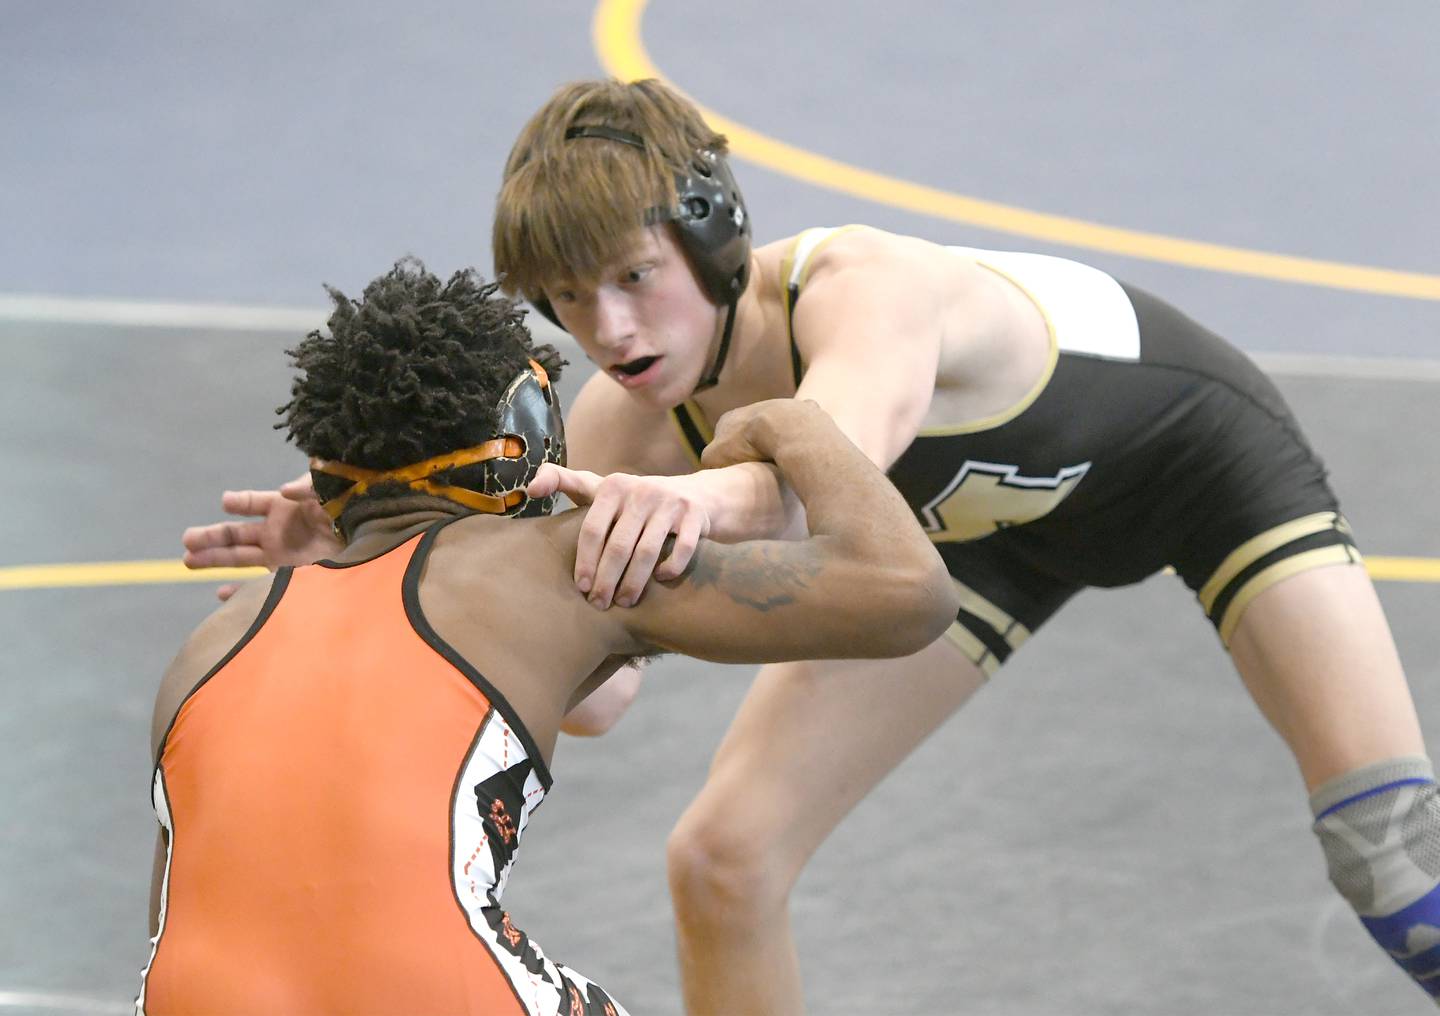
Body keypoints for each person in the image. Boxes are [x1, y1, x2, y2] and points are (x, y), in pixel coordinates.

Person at [180, 79, 1440, 1011]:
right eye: (567, 303)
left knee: (1386, 845)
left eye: (631, 276)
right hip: (982, 542)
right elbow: (600, 685)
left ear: (716, 235)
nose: (608, 330)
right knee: (723, 858)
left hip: (1199, 464)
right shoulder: (631, 418)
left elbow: (828, 456)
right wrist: (379, 534)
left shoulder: (862, 282)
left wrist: (669, 503)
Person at [144, 258, 957, 1016]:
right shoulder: (554, 565)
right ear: (523, 434)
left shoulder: (209, 643)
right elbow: (906, 594)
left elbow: (181, 907)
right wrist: (798, 426)